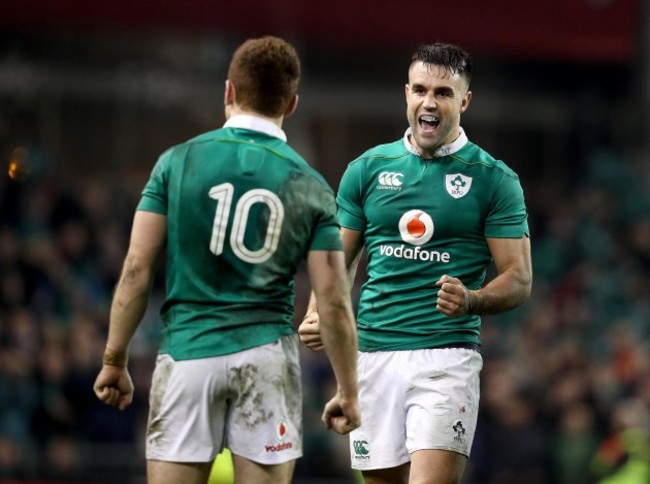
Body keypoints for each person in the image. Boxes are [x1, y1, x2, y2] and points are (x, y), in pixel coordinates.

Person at [93, 36, 360, 484]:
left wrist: (114, 358)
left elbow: (137, 269)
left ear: (229, 92)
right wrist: (348, 390)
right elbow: (332, 299)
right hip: (266, 359)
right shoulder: (311, 186)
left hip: (187, 356)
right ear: (291, 104)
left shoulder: (176, 163)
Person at [299, 42, 532, 484]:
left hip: (445, 359)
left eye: (443, 93)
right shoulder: (366, 169)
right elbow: (337, 261)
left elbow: (519, 280)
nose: (429, 102)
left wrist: (472, 299)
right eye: (421, 90)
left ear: (464, 101)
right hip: (372, 358)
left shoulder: (494, 179)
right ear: (406, 93)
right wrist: (317, 313)